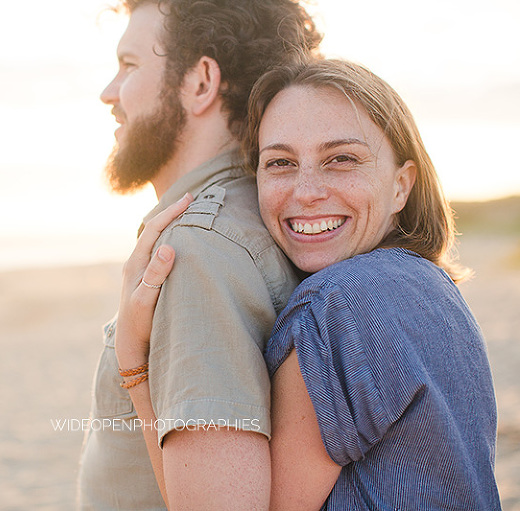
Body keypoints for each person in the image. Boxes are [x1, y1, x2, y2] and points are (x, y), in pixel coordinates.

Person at [115, 59, 501, 509]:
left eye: (341, 159)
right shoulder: (434, 288)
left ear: (401, 185)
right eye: (280, 162)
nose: (306, 191)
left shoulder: (341, 306)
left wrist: (134, 367)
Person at [77, 0, 321, 509]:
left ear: (201, 82)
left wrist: (134, 375)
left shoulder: (196, 250)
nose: (108, 93)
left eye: (129, 66)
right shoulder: (258, 215)